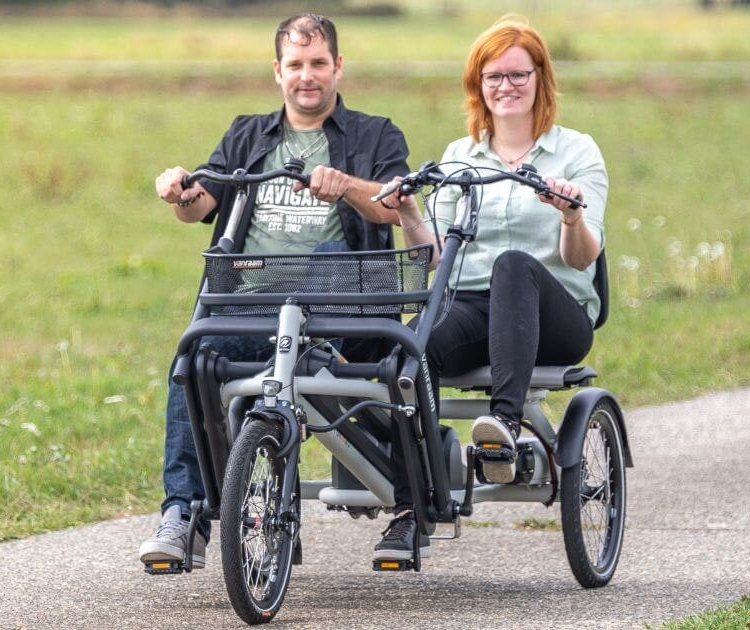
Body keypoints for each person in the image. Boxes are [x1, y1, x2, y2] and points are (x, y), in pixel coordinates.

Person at [140, 13, 409, 569]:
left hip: (340, 311)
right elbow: (200, 207)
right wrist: (177, 191)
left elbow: (392, 205)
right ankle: (184, 514)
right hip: (251, 304)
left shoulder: (374, 134)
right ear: (277, 72)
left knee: (331, 257)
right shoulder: (246, 135)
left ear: (338, 66)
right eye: (295, 65)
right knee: (193, 359)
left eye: (317, 64)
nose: (306, 76)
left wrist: (347, 185)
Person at [375, 15, 608, 562]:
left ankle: (502, 426)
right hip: (475, 309)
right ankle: (414, 509)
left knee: (512, 265)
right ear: (478, 86)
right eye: (493, 77)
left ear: (540, 79)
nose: (505, 86)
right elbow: (435, 257)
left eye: (517, 75)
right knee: (409, 351)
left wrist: (570, 217)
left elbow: (583, 256)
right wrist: (408, 210)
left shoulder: (575, 153)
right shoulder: (460, 157)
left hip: (555, 314)